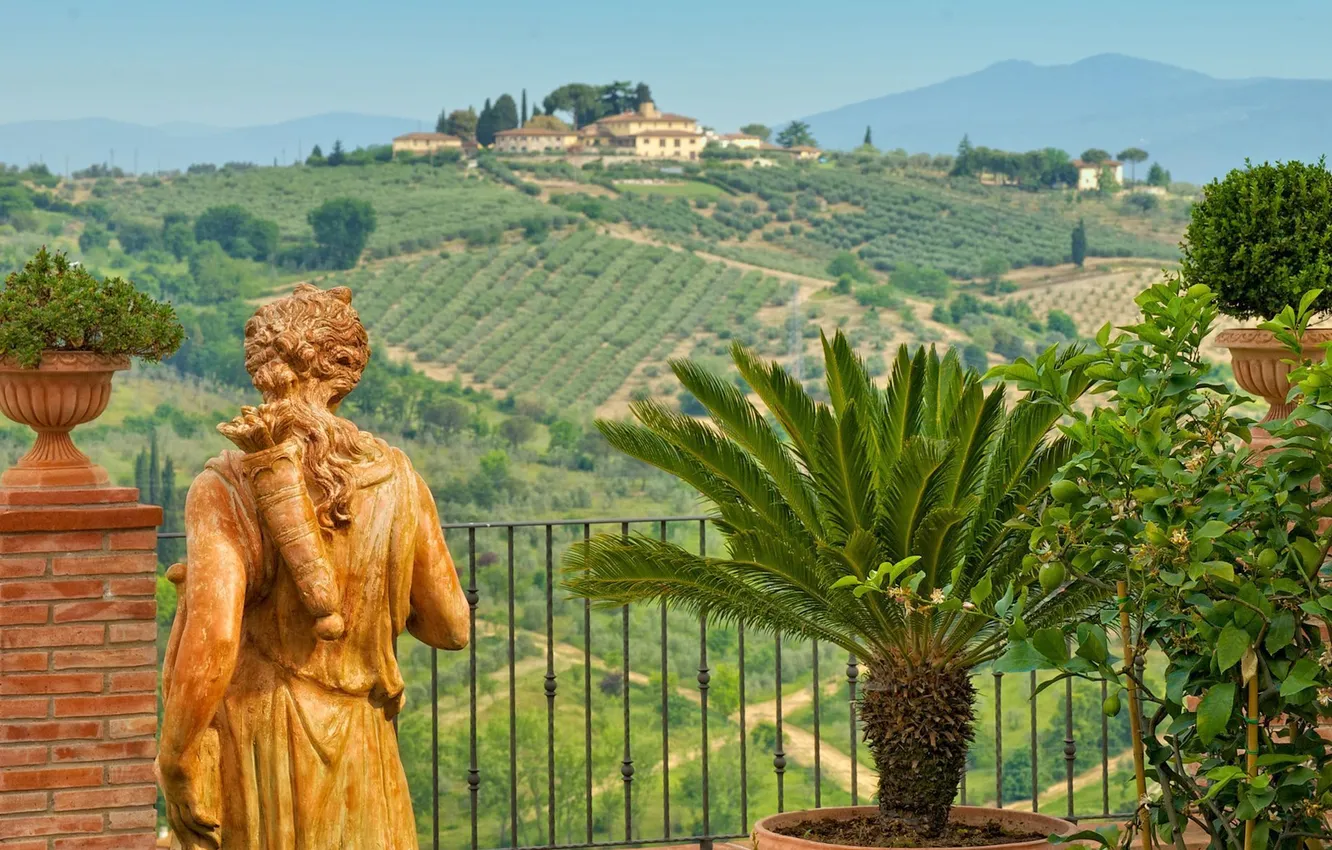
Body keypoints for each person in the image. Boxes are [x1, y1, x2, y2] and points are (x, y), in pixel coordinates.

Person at [157, 284, 469, 850]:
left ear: (261, 368)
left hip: (265, 740)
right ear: (346, 371)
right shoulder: (399, 479)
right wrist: (376, 599)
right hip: (366, 741)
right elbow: (451, 627)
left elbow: (214, 638)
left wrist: (175, 755)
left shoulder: (226, 484)